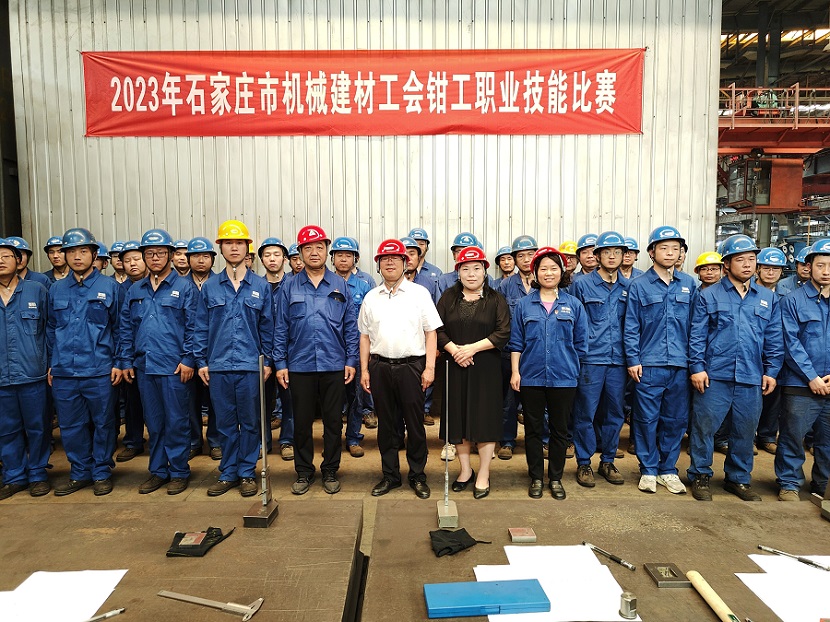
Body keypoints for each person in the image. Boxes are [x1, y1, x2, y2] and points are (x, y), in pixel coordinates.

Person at [687, 235, 783, 502]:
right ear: (726, 264)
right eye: (740, 259)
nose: (747, 264)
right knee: (704, 427)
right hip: (714, 375)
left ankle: (738, 478)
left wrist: (771, 371)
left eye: (752, 259)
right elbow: (696, 335)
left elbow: (774, 338)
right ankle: (700, 475)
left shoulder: (767, 298)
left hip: (751, 376)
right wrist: (697, 367)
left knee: (745, 429)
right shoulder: (708, 295)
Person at [274, 225, 358, 496]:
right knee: (301, 423)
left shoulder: (339, 285)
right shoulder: (289, 286)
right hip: (300, 365)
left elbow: (350, 326)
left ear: (326, 251)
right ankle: (303, 471)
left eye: (319, 247)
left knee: (333, 422)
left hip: (334, 364)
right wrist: (280, 364)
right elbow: (280, 327)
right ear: (299, 253)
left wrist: (351, 360)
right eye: (307, 248)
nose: (314, 252)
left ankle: (330, 470)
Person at [194, 220, 274, 498]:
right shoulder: (210, 287)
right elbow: (200, 326)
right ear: (221, 248)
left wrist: (268, 361)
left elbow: (268, 327)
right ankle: (228, 472)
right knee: (225, 423)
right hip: (219, 366)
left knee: (250, 422)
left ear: (247, 248)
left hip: (250, 366)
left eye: (239, 243)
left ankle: (247, 472)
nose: (234, 248)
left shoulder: (261, 286)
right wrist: (201, 362)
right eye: (228, 243)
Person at [359, 239, 442, 499]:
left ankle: (417, 476)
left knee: (415, 425)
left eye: (395, 258)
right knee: (386, 426)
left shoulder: (419, 294)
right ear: (378, 265)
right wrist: (365, 370)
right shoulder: (371, 297)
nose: (390, 263)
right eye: (384, 259)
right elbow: (364, 337)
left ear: (405, 263)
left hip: (412, 368)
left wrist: (429, 368)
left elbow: (431, 333)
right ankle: (390, 476)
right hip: (380, 367)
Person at [118, 229, 198, 495]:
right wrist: (126, 360)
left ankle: (179, 471)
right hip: (145, 367)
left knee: (176, 421)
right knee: (153, 423)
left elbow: (194, 326)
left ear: (171, 255)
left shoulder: (184, 287)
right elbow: (126, 329)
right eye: (149, 253)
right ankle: (158, 471)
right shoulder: (135, 290)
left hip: (174, 367)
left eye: (161, 253)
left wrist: (188, 359)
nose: (154, 258)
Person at [47, 228, 123, 496]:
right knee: (70, 425)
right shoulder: (56, 289)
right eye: (71, 252)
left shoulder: (110, 287)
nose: (77, 257)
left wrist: (118, 362)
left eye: (83, 251)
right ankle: (79, 472)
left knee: (104, 423)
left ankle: (101, 471)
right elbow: (51, 328)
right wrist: (52, 363)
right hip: (65, 371)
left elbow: (120, 328)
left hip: (99, 370)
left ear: (94, 254)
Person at [509, 247, 587, 500]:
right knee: (532, 429)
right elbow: (516, 342)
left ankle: (555, 478)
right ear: (535, 273)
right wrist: (515, 372)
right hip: (530, 376)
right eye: (543, 268)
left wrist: (570, 367)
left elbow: (581, 344)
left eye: (554, 268)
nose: (549, 273)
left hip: (564, 378)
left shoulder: (573, 305)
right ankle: (535, 477)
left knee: (559, 430)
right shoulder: (524, 305)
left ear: (562, 272)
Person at [624, 226, 696, 495]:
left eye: (675, 248)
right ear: (652, 252)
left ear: (681, 253)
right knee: (646, 419)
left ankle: (668, 470)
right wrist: (633, 359)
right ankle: (648, 470)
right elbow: (631, 325)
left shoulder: (689, 284)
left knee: (675, 420)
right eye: (664, 248)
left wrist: (695, 364)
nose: (670, 253)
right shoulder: (639, 285)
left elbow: (696, 327)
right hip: (649, 364)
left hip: (680, 364)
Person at [437, 246, 510, 498]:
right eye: (465, 269)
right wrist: (455, 351)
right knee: (458, 418)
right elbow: (437, 329)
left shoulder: (496, 299)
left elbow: (503, 332)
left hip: (486, 368)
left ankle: (484, 473)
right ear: (458, 272)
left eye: (476, 268)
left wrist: (471, 349)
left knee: (484, 419)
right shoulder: (448, 298)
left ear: (485, 271)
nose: (471, 274)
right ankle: (466, 470)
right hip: (455, 366)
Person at [570, 231, 630, 488]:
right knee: (585, 412)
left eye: (617, 252)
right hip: (590, 360)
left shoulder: (629, 287)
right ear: (597, 256)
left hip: (618, 361)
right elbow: (573, 323)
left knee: (615, 413)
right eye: (607, 252)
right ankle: (584, 462)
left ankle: (607, 461)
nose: (612, 256)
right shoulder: (581, 285)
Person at [775, 238, 830, 501]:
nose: (826, 271)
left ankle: (823, 485)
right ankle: (789, 482)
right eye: (820, 265)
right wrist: (812, 377)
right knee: (793, 436)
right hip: (800, 384)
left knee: (827, 441)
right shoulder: (792, 300)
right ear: (809, 267)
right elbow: (790, 343)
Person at [0, 238, 51, 499]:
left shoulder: (37, 290)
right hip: (1, 378)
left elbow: (50, 330)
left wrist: (51, 365)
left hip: (33, 374)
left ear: (19, 260)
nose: (0, 261)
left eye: (6, 256)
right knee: (6, 429)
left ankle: (38, 474)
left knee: (38, 427)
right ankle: (14, 476)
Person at [497, 235, 539, 461]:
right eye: (520, 256)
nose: (526, 259)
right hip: (509, 351)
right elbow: (501, 319)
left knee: (538, 400)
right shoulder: (506, 285)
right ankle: (507, 441)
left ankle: (541, 440)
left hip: (537, 352)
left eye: (530, 255)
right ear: (514, 259)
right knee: (508, 400)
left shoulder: (545, 281)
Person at [330, 236, 372, 458]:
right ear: (333, 258)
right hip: (330, 351)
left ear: (355, 258)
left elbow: (371, 322)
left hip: (356, 351)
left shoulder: (364, 286)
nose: (344, 259)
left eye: (348, 255)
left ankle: (353, 438)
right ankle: (333, 439)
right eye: (339, 255)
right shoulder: (325, 283)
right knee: (332, 399)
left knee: (356, 398)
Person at [185, 237, 222, 460]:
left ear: (213, 259)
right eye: (196, 256)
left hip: (216, 354)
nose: (201, 260)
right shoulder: (180, 285)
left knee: (216, 401)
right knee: (190, 401)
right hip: (188, 355)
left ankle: (215, 441)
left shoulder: (220, 283)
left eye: (206, 256)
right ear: (188, 259)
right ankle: (194, 441)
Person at [258, 236, 294, 461]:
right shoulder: (255, 285)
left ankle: (287, 440)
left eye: (277, 254)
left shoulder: (294, 284)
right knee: (261, 401)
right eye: (267, 255)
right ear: (261, 260)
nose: (272, 259)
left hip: (289, 354)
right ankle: (262, 441)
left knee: (289, 400)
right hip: (261, 354)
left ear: (285, 258)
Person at [114, 241, 148, 463]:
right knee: (132, 401)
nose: (132, 264)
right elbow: (120, 327)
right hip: (131, 355)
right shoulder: (119, 289)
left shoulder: (158, 286)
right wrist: (122, 358)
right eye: (127, 260)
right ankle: (133, 441)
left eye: (136, 259)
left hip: (157, 355)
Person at [754, 247, 788, 455]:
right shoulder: (748, 292)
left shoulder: (787, 296)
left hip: (776, 353)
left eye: (776, 268)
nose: (771, 272)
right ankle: (747, 437)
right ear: (758, 269)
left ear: (782, 271)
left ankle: (766, 436)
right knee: (749, 399)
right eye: (766, 267)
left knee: (773, 398)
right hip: (752, 353)